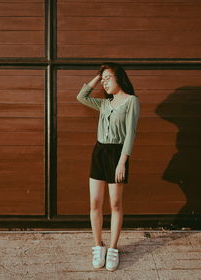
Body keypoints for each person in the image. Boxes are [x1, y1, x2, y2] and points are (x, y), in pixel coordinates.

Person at [76, 62, 140, 271]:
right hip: (99, 153)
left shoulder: (131, 101)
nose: (104, 83)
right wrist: (97, 76)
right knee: (95, 202)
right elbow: (81, 97)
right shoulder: (104, 104)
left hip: (117, 155)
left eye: (107, 78)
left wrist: (122, 161)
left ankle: (113, 248)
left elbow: (130, 134)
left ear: (119, 78)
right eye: (102, 80)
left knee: (115, 204)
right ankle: (98, 245)